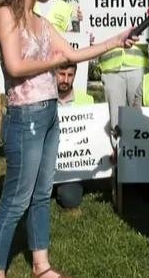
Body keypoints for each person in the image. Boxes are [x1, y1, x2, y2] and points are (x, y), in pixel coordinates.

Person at [0, 0, 136, 278]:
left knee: (41, 194)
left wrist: (117, 40)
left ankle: (41, 266)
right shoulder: (5, 15)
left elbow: (75, 54)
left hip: (50, 113)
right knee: (15, 199)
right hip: (25, 117)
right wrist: (54, 62)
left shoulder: (42, 21)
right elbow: (15, 66)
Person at [98, 0, 149, 143]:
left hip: (137, 68)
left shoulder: (142, 6)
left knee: (138, 118)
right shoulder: (100, 7)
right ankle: (118, 163)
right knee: (116, 121)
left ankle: (138, 159)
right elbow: (93, 33)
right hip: (111, 69)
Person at [54, 63, 94, 209]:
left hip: (71, 165)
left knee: (70, 199)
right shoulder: (43, 100)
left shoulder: (87, 101)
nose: (65, 79)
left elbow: (92, 137)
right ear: (54, 74)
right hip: (46, 164)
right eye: (61, 74)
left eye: (70, 75)